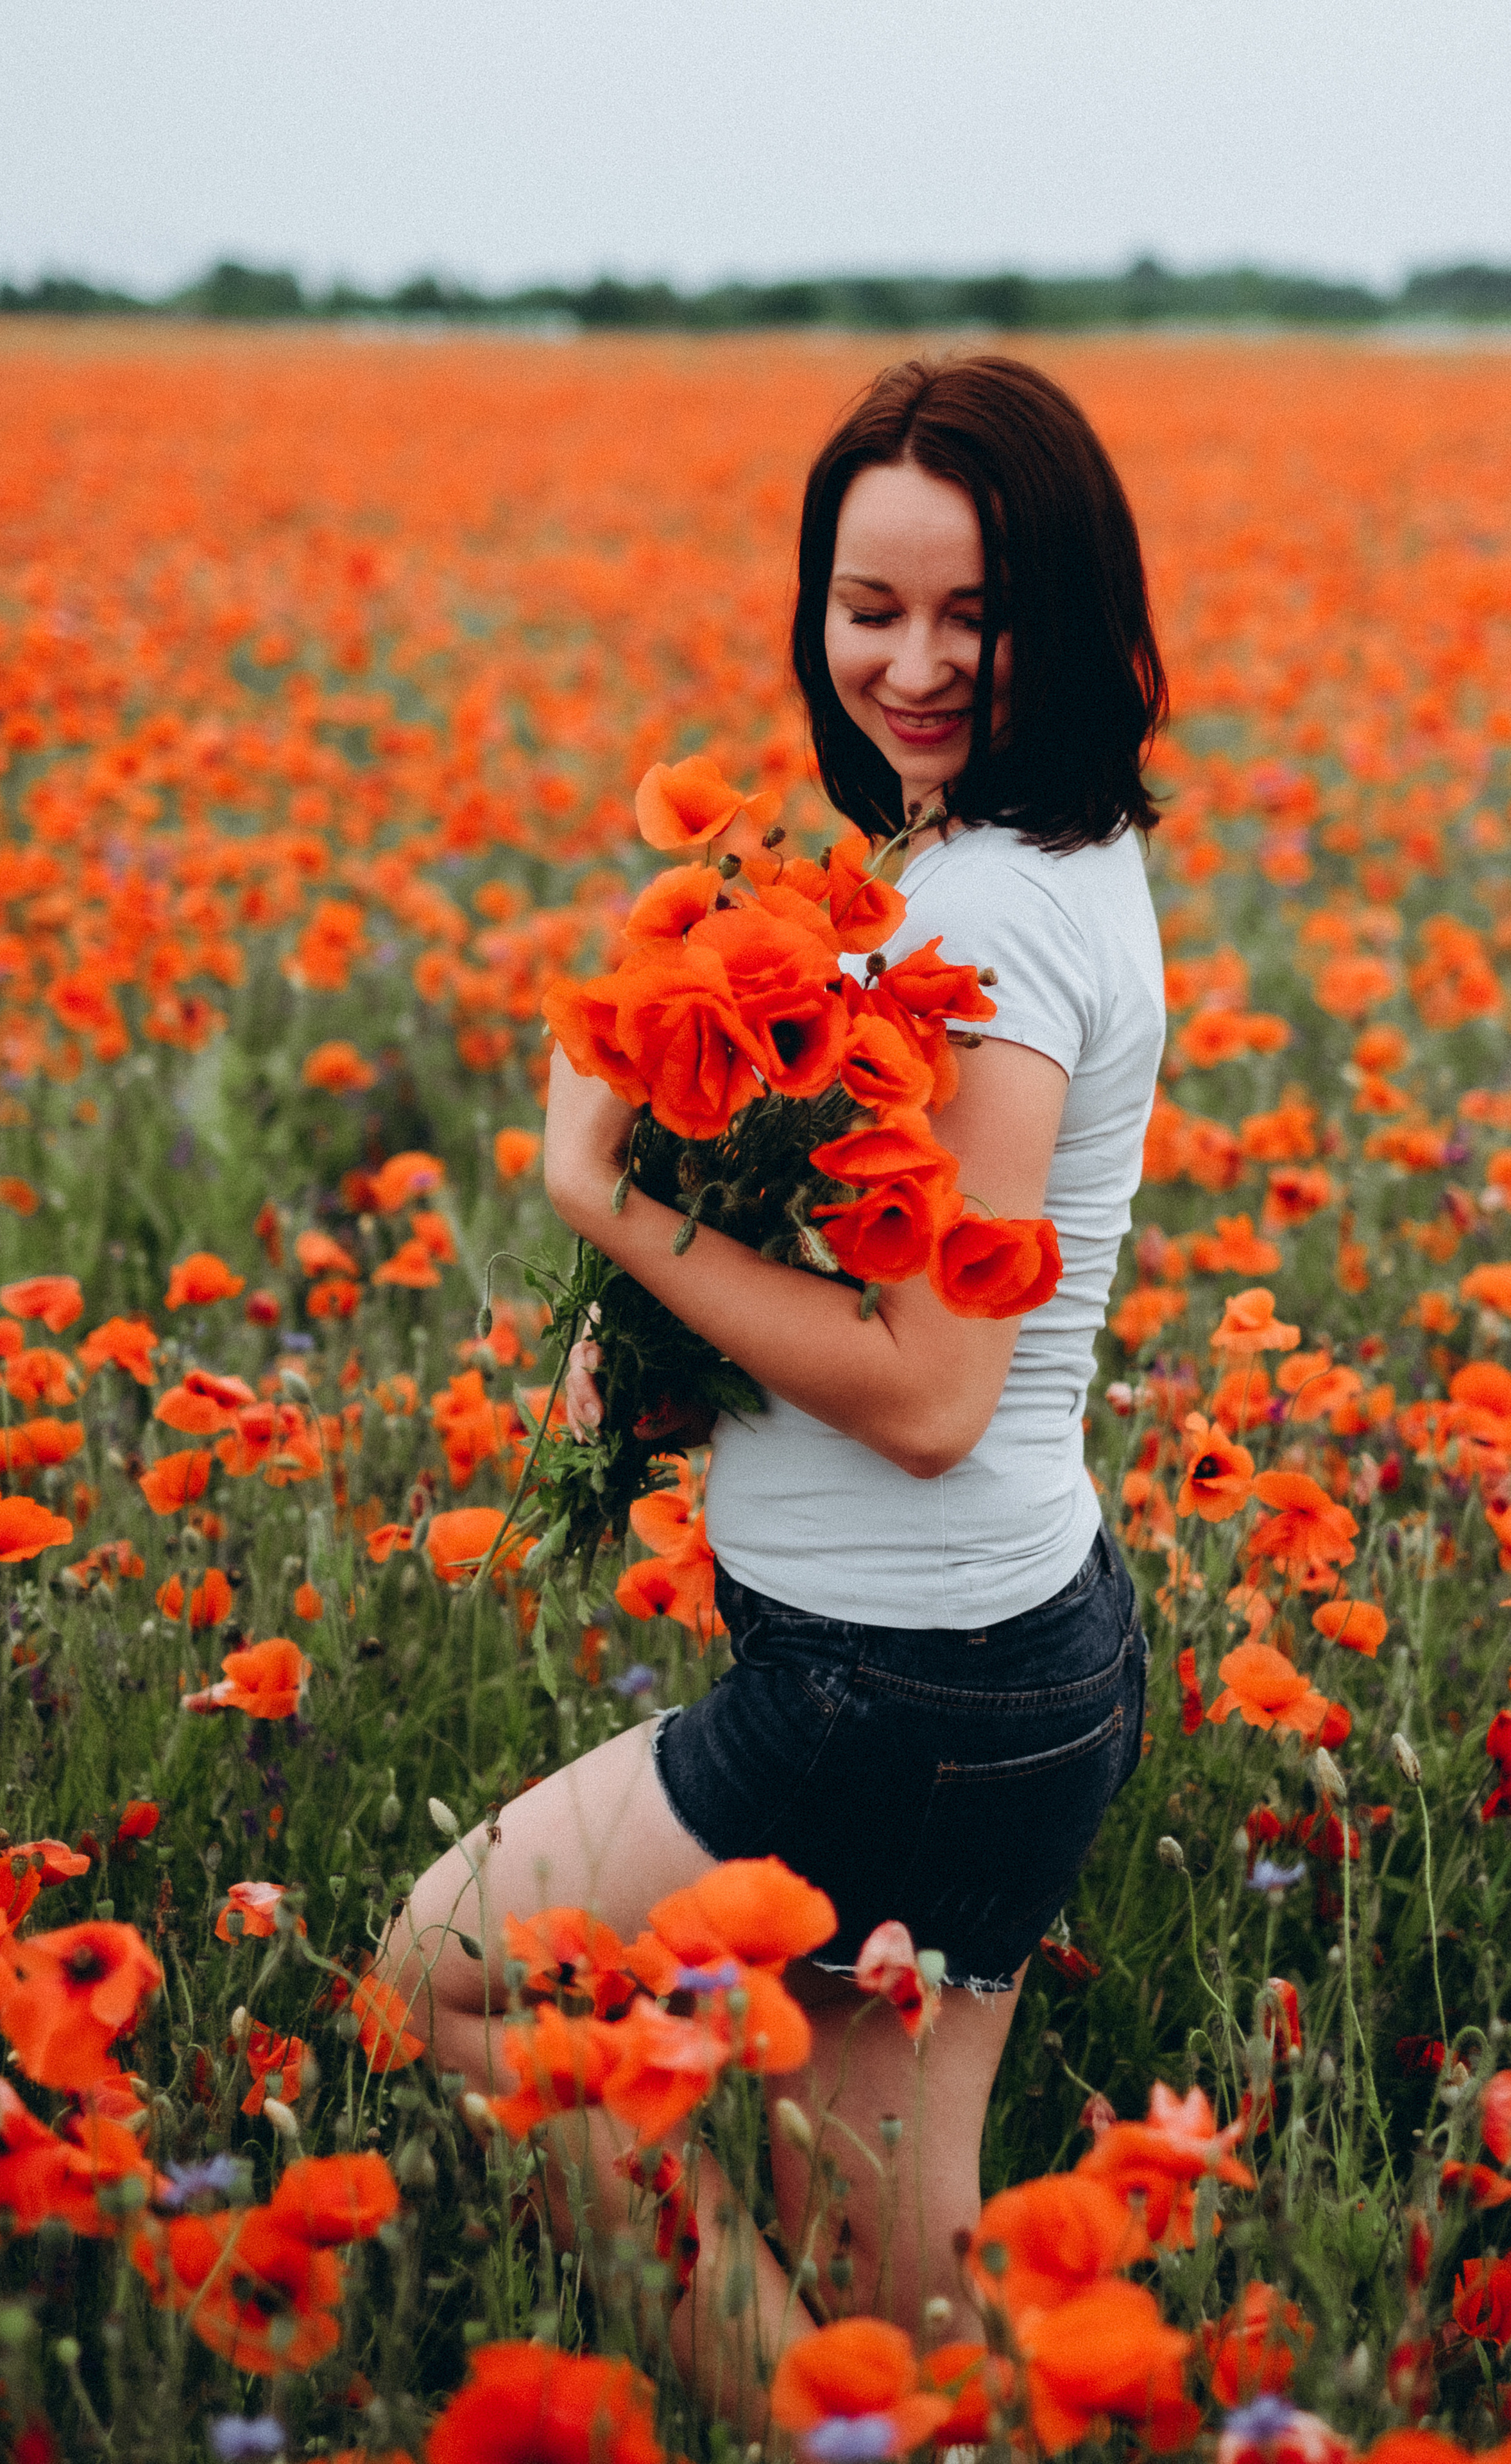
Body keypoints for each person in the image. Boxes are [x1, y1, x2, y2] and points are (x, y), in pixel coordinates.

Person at [382, 353, 1166, 2426]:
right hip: (1020, 1659)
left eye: (972, 617)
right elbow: (872, 1274)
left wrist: (603, 1200)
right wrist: (653, 1348)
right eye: (867, 605)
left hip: (894, 1694)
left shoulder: (985, 916)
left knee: (447, 1992)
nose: (910, 663)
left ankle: (766, 2417)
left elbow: (926, 1391)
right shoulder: (1028, 851)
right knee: (891, 2275)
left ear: (1064, 617)